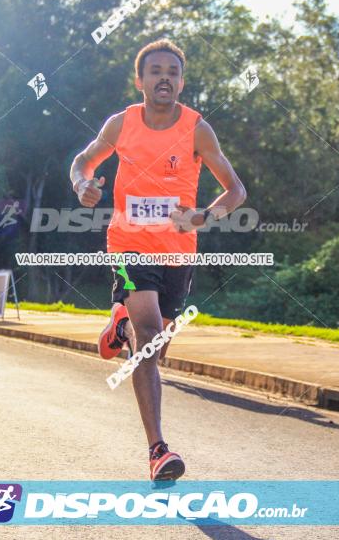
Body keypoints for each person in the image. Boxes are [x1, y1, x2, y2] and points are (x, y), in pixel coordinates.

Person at [69, 39, 247, 481]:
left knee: (157, 345)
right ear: (140, 80)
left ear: (181, 82)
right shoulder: (121, 123)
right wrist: (81, 185)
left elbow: (237, 191)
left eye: (172, 71)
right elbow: (82, 161)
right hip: (128, 243)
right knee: (149, 339)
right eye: (155, 71)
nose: (164, 77)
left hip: (177, 251)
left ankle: (120, 324)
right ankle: (157, 451)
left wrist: (202, 216)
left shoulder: (197, 129)